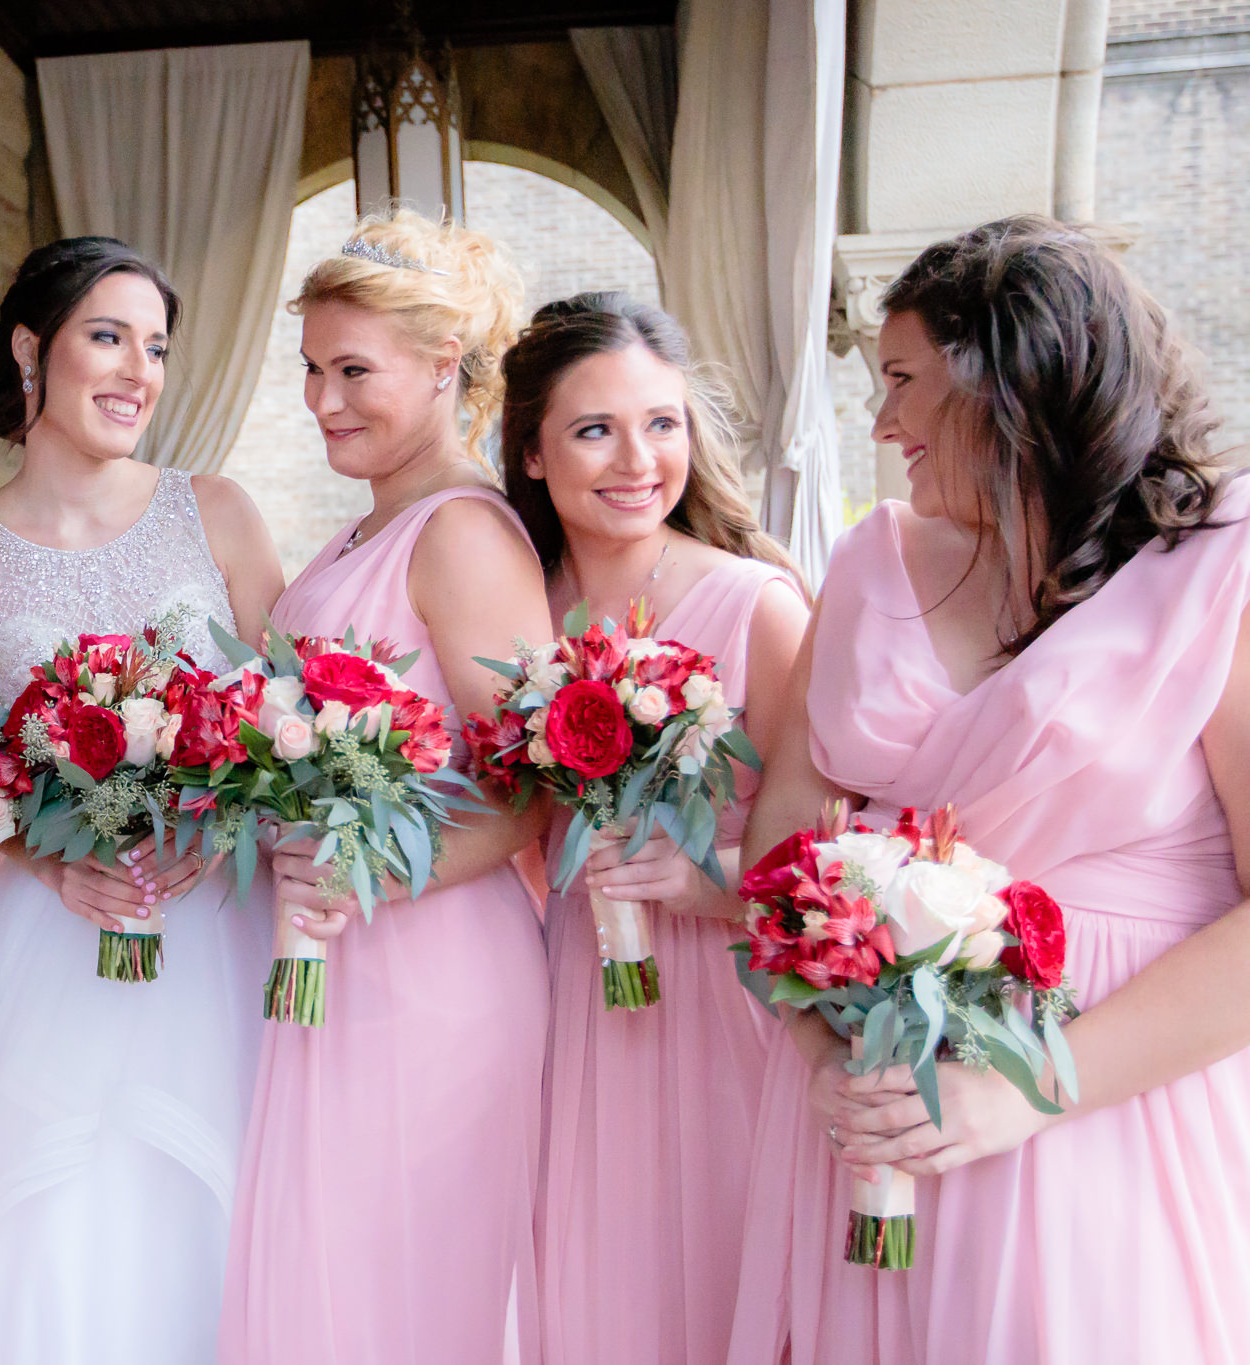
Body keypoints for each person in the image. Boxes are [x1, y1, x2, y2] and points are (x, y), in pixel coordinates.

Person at [730, 215, 1250, 1364]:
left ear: (1010, 379)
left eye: (903, 381)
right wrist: (836, 1068)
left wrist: (1028, 1092)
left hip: (1106, 1098)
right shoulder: (870, 565)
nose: (881, 424)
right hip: (870, 1109)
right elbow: (776, 868)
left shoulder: (1223, 567)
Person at [0, 236, 285, 1364]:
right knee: (52, 1231)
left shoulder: (214, 510)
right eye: (106, 337)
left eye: (153, 347)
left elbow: (294, 710)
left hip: (215, 930)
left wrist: (228, 824)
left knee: (223, 1204)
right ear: (31, 349)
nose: (137, 372)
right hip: (49, 953)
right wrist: (53, 866)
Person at [218, 209, 553, 1365]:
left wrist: (364, 873)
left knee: (411, 1277)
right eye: (310, 370)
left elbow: (528, 790)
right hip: (332, 948)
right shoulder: (362, 533)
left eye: (351, 370)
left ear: (443, 368)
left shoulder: (464, 536)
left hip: (429, 964)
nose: (320, 401)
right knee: (337, 1277)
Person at [498, 292, 808, 1365]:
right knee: (589, 1298)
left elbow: (820, 864)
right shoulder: (512, 614)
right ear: (532, 454)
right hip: (566, 1002)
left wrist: (697, 877)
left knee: (723, 1288)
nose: (636, 459)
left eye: (661, 423)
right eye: (593, 429)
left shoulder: (755, 608)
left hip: (722, 1009)